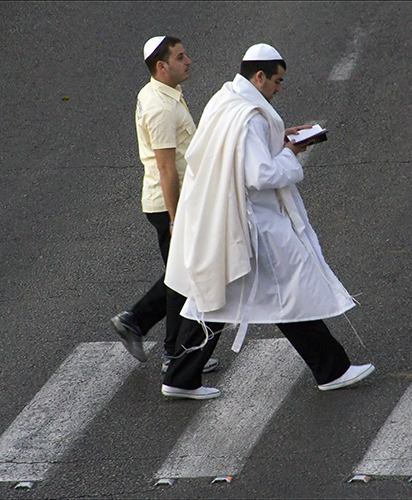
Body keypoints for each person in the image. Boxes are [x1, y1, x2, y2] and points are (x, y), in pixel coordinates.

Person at [160, 43, 374, 400]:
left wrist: (280, 137)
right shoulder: (250, 116)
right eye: (277, 81)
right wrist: (289, 153)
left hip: (223, 217)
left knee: (216, 297)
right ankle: (332, 369)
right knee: (291, 287)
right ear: (259, 76)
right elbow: (259, 173)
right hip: (251, 224)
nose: (278, 88)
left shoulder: (226, 100)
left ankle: (181, 378)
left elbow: (234, 150)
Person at [111, 36, 216, 375]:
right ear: (162, 66)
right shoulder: (160, 107)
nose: (189, 61)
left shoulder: (162, 94)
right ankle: (174, 354)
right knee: (184, 278)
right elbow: (166, 167)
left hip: (179, 201)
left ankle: (137, 322)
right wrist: (176, 219)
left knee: (181, 275)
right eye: (181, 57)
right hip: (171, 204)